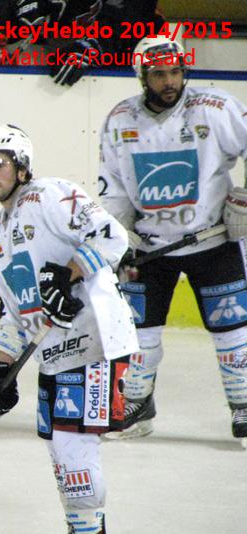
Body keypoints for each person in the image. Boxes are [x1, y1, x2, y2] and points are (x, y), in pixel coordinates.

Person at [0, 124, 138, 534]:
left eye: (0, 163)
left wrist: (68, 274)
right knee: (60, 450)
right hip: (53, 351)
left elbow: (112, 236)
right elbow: (16, 310)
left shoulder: (48, 194)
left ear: (22, 166)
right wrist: (0, 368)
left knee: (73, 448)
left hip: (95, 339)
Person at [98, 35, 247, 443]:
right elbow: (114, 186)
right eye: (159, 74)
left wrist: (245, 201)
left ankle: (244, 404)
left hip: (213, 241)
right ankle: (137, 405)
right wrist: (120, 233)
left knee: (233, 331)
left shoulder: (214, 108)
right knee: (139, 334)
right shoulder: (120, 120)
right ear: (142, 77)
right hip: (150, 248)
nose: (169, 82)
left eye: (176, 72)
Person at [0, 0, 164, 87]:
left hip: (120, 88)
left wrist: (90, 48)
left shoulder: (144, 13)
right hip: (54, 92)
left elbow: (128, 25)